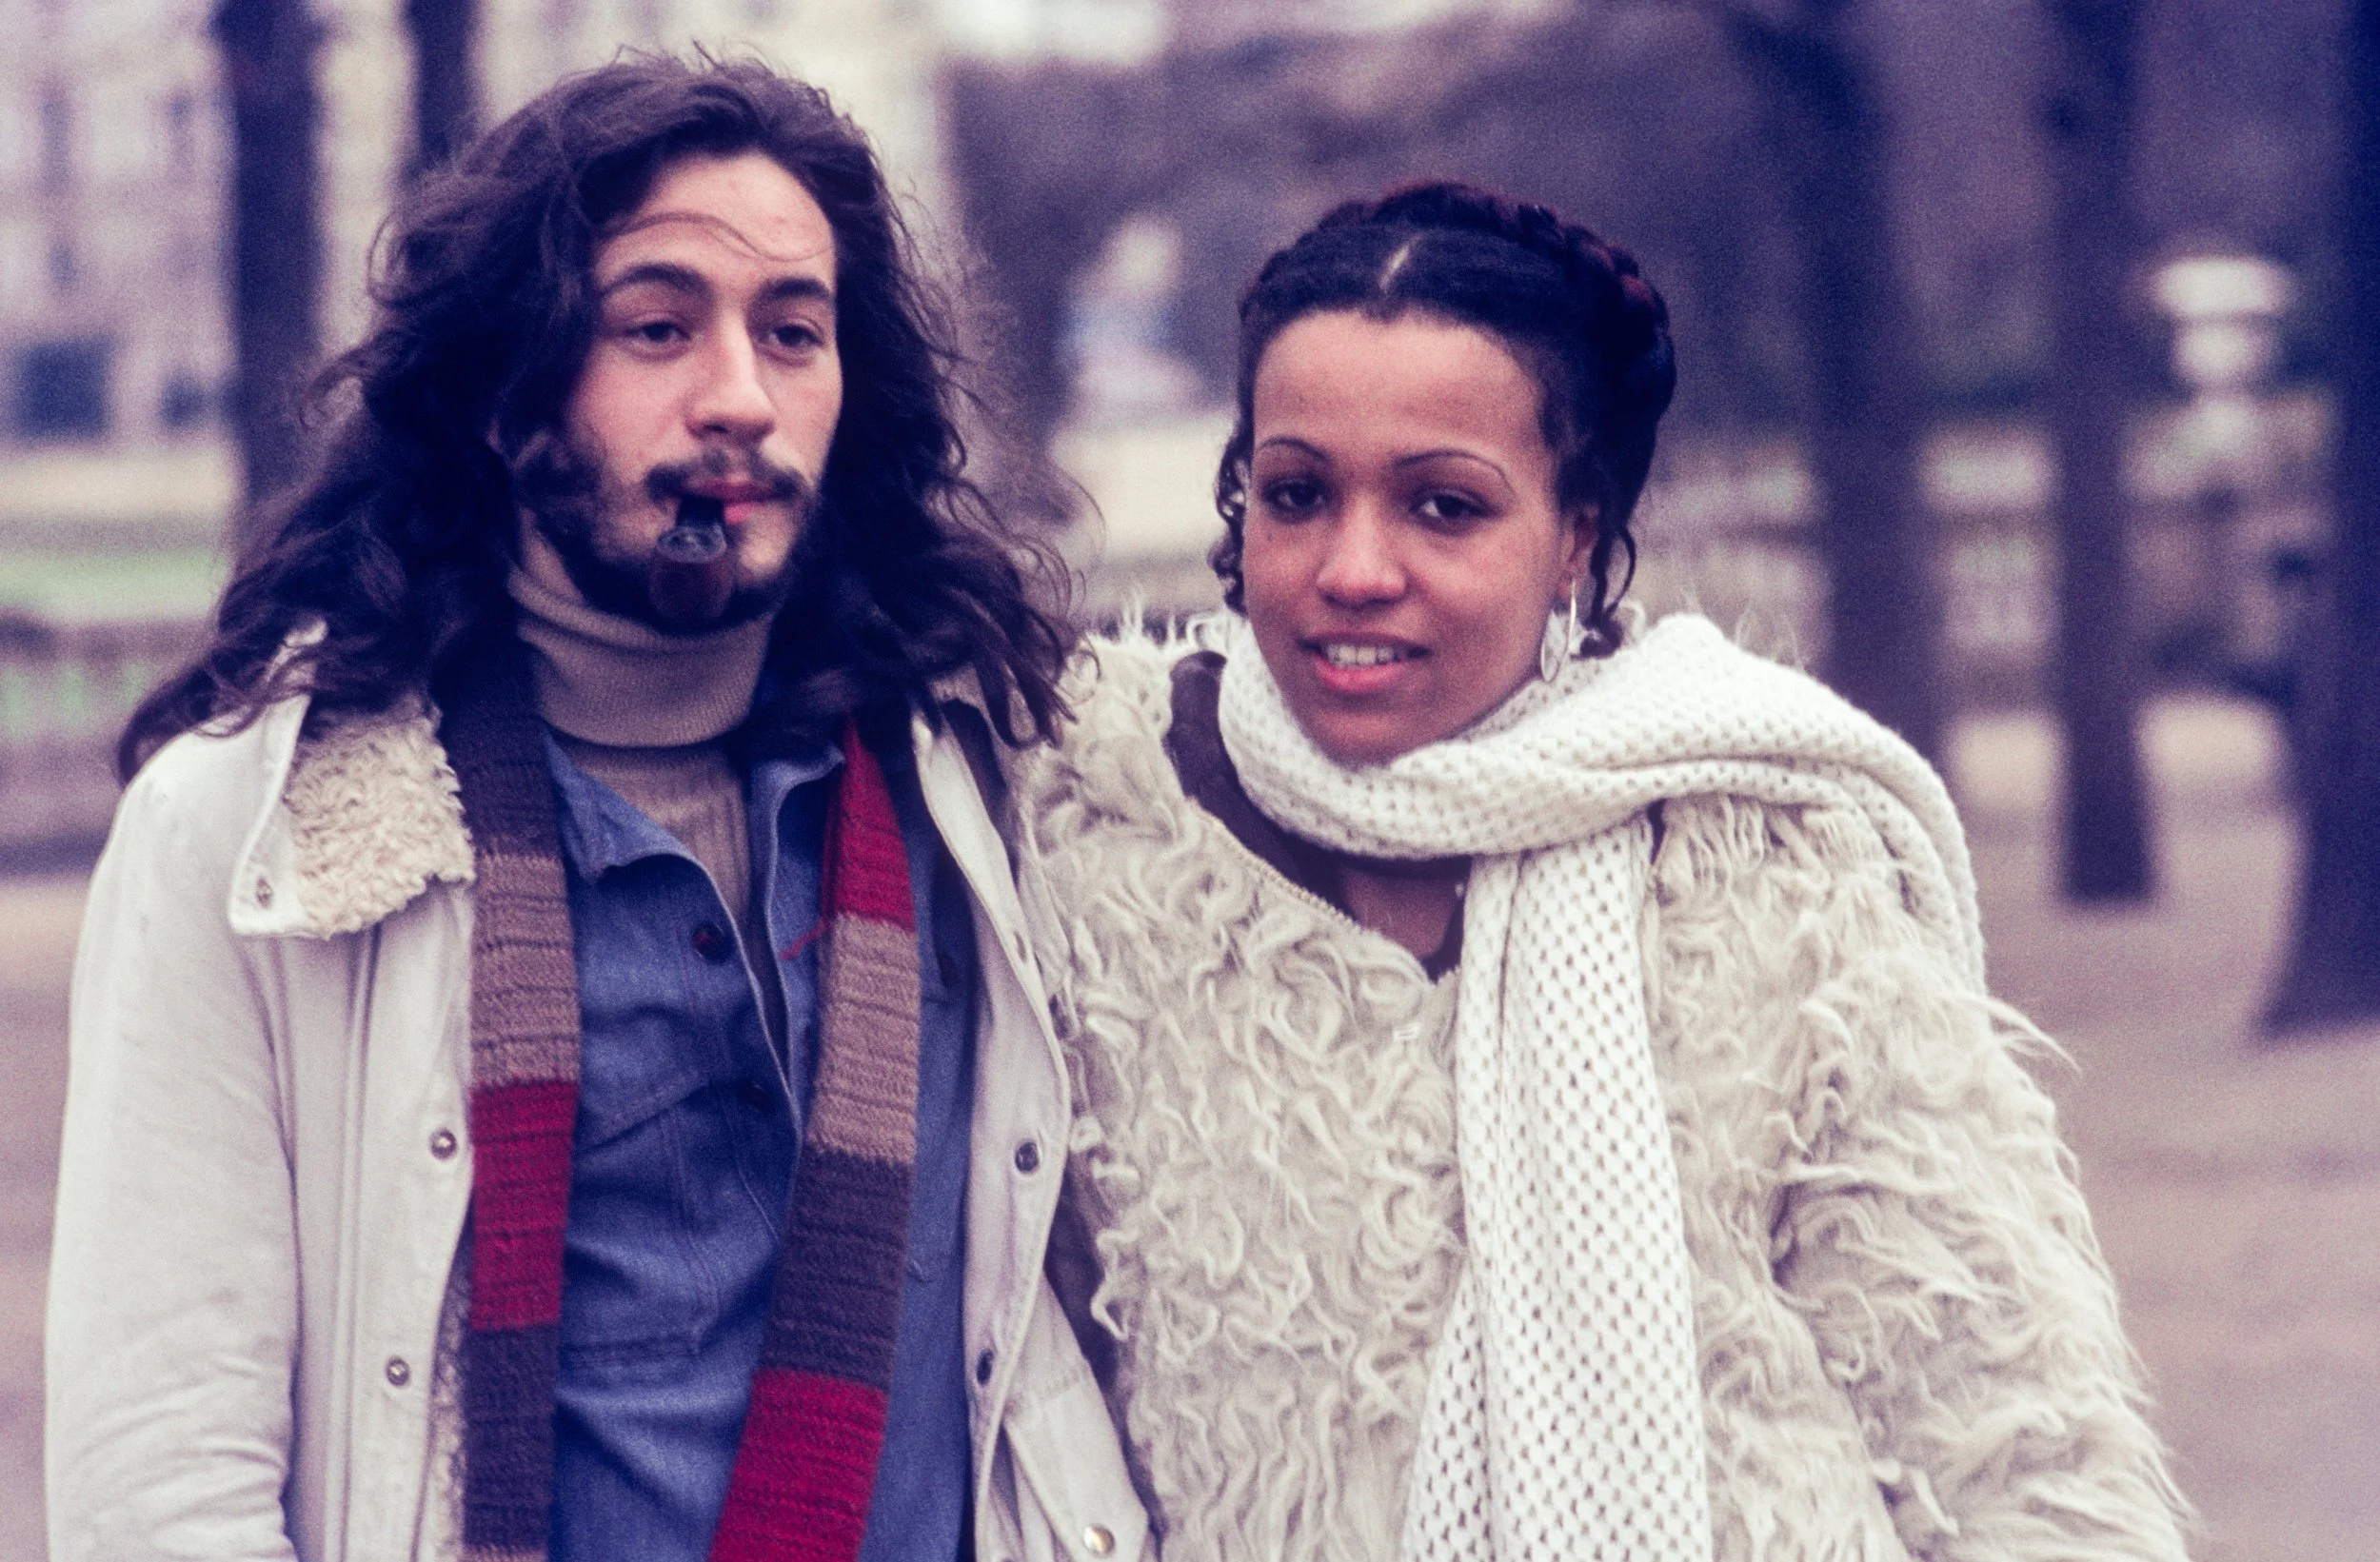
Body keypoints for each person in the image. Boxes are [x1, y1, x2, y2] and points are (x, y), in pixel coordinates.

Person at [46, 57, 1149, 1562]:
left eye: (794, 334)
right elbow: (162, 1484)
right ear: (504, 399)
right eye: (656, 327)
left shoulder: (990, 783)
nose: (741, 399)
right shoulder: (253, 836)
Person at [1021, 184, 2192, 1560]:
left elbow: (2007, 1426)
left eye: (1443, 507)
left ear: (1577, 531)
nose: (1351, 566)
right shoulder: (1093, 832)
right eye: (1296, 494)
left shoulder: (1758, 853)